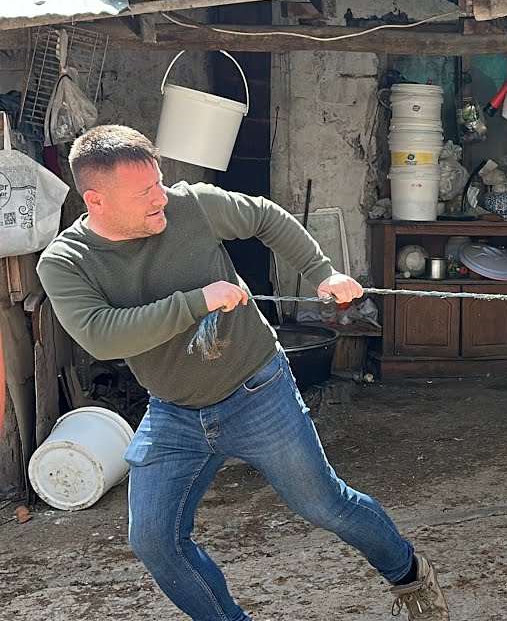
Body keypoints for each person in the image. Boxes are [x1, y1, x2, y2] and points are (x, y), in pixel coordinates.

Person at [36, 126, 449, 621]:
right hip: (175, 411)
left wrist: (323, 273)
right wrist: (196, 302)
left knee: (324, 505)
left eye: (159, 182)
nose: (159, 198)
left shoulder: (188, 204)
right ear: (96, 200)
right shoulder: (65, 262)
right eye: (143, 192)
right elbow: (101, 336)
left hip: (257, 389)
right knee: (153, 540)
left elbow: (266, 218)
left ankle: (408, 573)